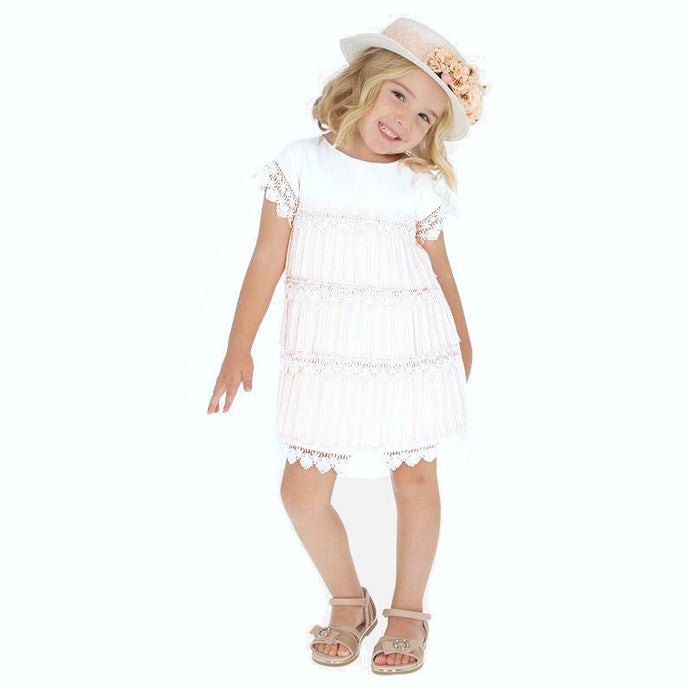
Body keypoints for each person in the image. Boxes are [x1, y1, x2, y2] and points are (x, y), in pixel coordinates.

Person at [208, 16, 486, 675]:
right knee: (301, 494)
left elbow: (441, 270)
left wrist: (462, 336)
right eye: (398, 95)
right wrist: (238, 347)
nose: (405, 120)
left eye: (424, 116)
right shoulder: (299, 164)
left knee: (415, 477)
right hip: (325, 357)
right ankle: (348, 599)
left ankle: (408, 610)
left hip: (409, 349)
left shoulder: (417, 183)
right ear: (364, 82)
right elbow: (265, 260)